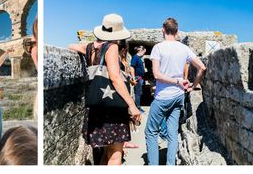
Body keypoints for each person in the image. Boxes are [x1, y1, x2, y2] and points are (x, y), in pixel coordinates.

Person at [68, 13, 141, 165]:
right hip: (112, 109)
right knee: (115, 156)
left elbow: (71, 46)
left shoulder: (89, 47)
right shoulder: (112, 47)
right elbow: (115, 77)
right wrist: (132, 106)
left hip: (96, 107)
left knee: (106, 153)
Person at [145, 18, 207, 165]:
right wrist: (193, 86)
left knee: (151, 132)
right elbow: (202, 68)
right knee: (172, 133)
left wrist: (176, 81)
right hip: (178, 96)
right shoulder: (184, 48)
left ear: (162, 30)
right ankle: (170, 165)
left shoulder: (158, 48)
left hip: (162, 96)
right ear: (177, 31)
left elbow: (157, 75)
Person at [131, 45, 147, 113]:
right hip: (138, 78)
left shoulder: (139, 58)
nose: (144, 53)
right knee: (138, 93)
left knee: (139, 93)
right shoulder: (135, 57)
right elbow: (132, 67)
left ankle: (138, 106)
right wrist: (134, 78)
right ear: (141, 50)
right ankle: (137, 108)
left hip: (140, 78)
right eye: (144, 52)